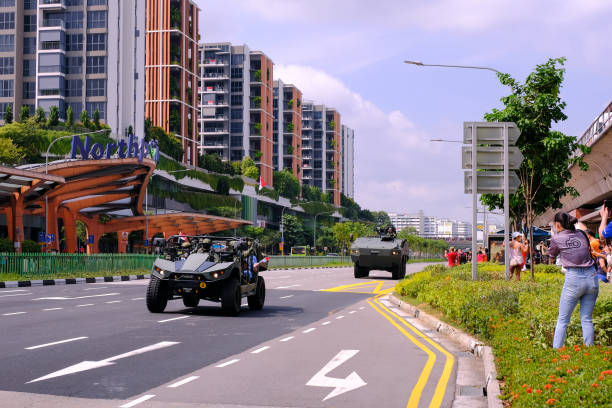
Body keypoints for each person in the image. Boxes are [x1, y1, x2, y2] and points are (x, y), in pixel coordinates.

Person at [548, 212, 598, 349]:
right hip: (592, 276)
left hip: (574, 277)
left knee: (563, 320)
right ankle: (590, 352)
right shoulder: (582, 234)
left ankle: (556, 353)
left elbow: (551, 256)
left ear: (557, 224)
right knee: (587, 319)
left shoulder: (557, 238)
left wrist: (555, 237)